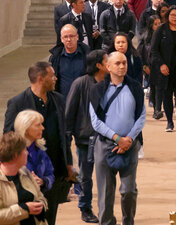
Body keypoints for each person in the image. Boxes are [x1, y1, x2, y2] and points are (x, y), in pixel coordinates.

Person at [3, 62, 72, 225]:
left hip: (53, 172)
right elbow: (8, 138)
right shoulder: (17, 102)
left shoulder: (59, 100)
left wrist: (68, 163)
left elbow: (65, 135)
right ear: (41, 78)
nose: (55, 78)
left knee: (50, 215)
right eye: (52, 75)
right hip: (26, 173)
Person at [88, 51, 144, 225]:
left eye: (124, 63)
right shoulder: (97, 89)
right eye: (118, 63)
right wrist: (116, 138)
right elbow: (95, 121)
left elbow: (141, 117)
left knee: (128, 190)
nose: (122, 66)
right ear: (108, 67)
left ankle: (128, 221)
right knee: (105, 193)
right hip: (105, 146)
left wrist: (128, 139)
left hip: (129, 146)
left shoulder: (135, 87)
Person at [64, 50, 106, 223]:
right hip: (85, 138)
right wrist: (68, 136)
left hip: (107, 138)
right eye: (106, 61)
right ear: (98, 65)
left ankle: (106, 208)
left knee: (106, 176)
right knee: (86, 176)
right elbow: (70, 112)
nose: (110, 63)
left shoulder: (111, 83)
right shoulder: (80, 84)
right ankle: (85, 208)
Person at [150, 7, 176, 132]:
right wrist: (161, 65)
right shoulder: (161, 29)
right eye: (172, 15)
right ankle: (169, 122)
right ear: (168, 16)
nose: (175, 17)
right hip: (165, 69)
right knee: (166, 95)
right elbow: (154, 50)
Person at [11, 111, 53, 219]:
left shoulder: (41, 150)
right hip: (19, 210)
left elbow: (50, 173)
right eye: (38, 125)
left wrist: (43, 181)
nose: (43, 128)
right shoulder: (12, 152)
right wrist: (28, 181)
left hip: (39, 207)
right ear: (26, 128)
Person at [0, 131, 47, 225]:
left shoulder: (25, 173)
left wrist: (41, 205)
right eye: (25, 150)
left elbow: (41, 197)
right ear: (16, 155)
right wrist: (25, 209)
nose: (27, 153)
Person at [49, 24, 88, 98]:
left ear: (77, 37)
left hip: (83, 101)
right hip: (63, 102)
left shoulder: (87, 55)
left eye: (71, 36)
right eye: (65, 37)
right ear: (61, 39)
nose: (69, 40)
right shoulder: (55, 58)